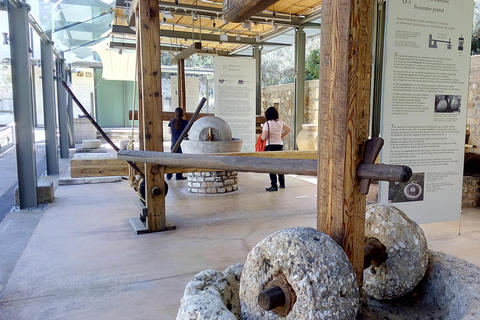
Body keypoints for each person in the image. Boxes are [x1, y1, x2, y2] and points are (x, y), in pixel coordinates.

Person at [261, 106, 292, 191]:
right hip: (279, 144)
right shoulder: (280, 122)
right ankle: (282, 183)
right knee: (279, 164)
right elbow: (289, 129)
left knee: (271, 165)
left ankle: (274, 185)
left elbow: (264, 137)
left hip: (270, 146)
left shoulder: (267, 124)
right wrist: (281, 136)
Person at [167, 107, 189, 180]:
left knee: (171, 160)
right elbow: (188, 132)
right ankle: (178, 176)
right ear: (182, 114)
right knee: (180, 160)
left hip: (173, 142)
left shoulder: (172, 121)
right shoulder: (185, 122)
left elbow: (169, 132)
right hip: (182, 143)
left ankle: (168, 175)